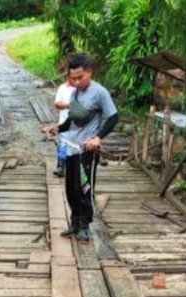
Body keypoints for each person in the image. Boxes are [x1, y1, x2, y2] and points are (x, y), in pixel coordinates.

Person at [44, 55, 118, 242]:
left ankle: (85, 225)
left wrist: (98, 137)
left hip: (87, 150)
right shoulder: (74, 93)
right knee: (70, 188)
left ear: (89, 72)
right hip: (71, 148)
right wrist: (57, 128)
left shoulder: (100, 92)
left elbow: (113, 117)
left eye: (80, 77)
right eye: (72, 78)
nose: (76, 82)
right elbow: (71, 120)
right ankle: (75, 222)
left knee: (84, 188)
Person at [53, 76, 76, 177]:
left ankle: (73, 168)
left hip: (78, 122)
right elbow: (57, 104)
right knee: (63, 143)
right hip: (64, 122)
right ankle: (61, 166)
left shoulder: (81, 89)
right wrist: (68, 105)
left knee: (76, 145)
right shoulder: (62, 88)